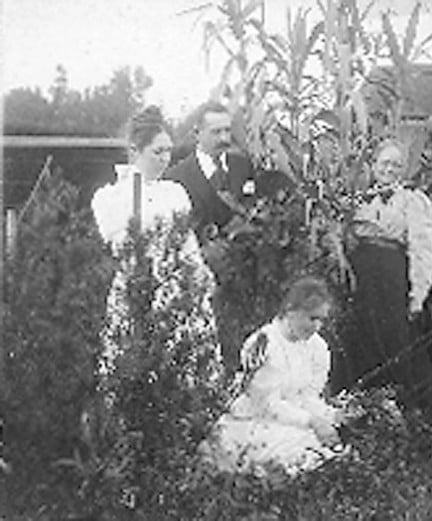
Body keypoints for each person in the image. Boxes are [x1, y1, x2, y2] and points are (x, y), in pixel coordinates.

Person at [91, 106, 218, 374]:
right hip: (137, 288)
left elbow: (188, 245)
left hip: (178, 289)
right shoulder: (109, 197)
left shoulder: (175, 192)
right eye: (157, 152)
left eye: (168, 151)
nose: (164, 159)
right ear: (135, 151)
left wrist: (200, 276)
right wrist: (133, 180)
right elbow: (122, 245)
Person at [335, 138, 432, 414]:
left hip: (394, 284)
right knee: (360, 346)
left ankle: (408, 416)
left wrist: (417, 296)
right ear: (373, 166)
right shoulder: (356, 200)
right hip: (363, 287)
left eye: (397, 165)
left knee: (398, 345)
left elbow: (423, 250)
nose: (390, 169)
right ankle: (364, 413)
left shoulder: (412, 200)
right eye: (385, 163)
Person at [198, 276, 346, 477]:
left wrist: (327, 415)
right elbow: (267, 404)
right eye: (312, 318)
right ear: (291, 311)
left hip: (294, 418)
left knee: (331, 445)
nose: (317, 326)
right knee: (300, 450)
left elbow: (308, 397)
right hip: (256, 419)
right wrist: (311, 422)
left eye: (322, 319)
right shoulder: (264, 342)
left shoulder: (318, 347)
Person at [163, 101, 256, 248]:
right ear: (197, 133)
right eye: (216, 132)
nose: (224, 139)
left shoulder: (244, 166)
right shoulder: (175, 178)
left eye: (227, 130)